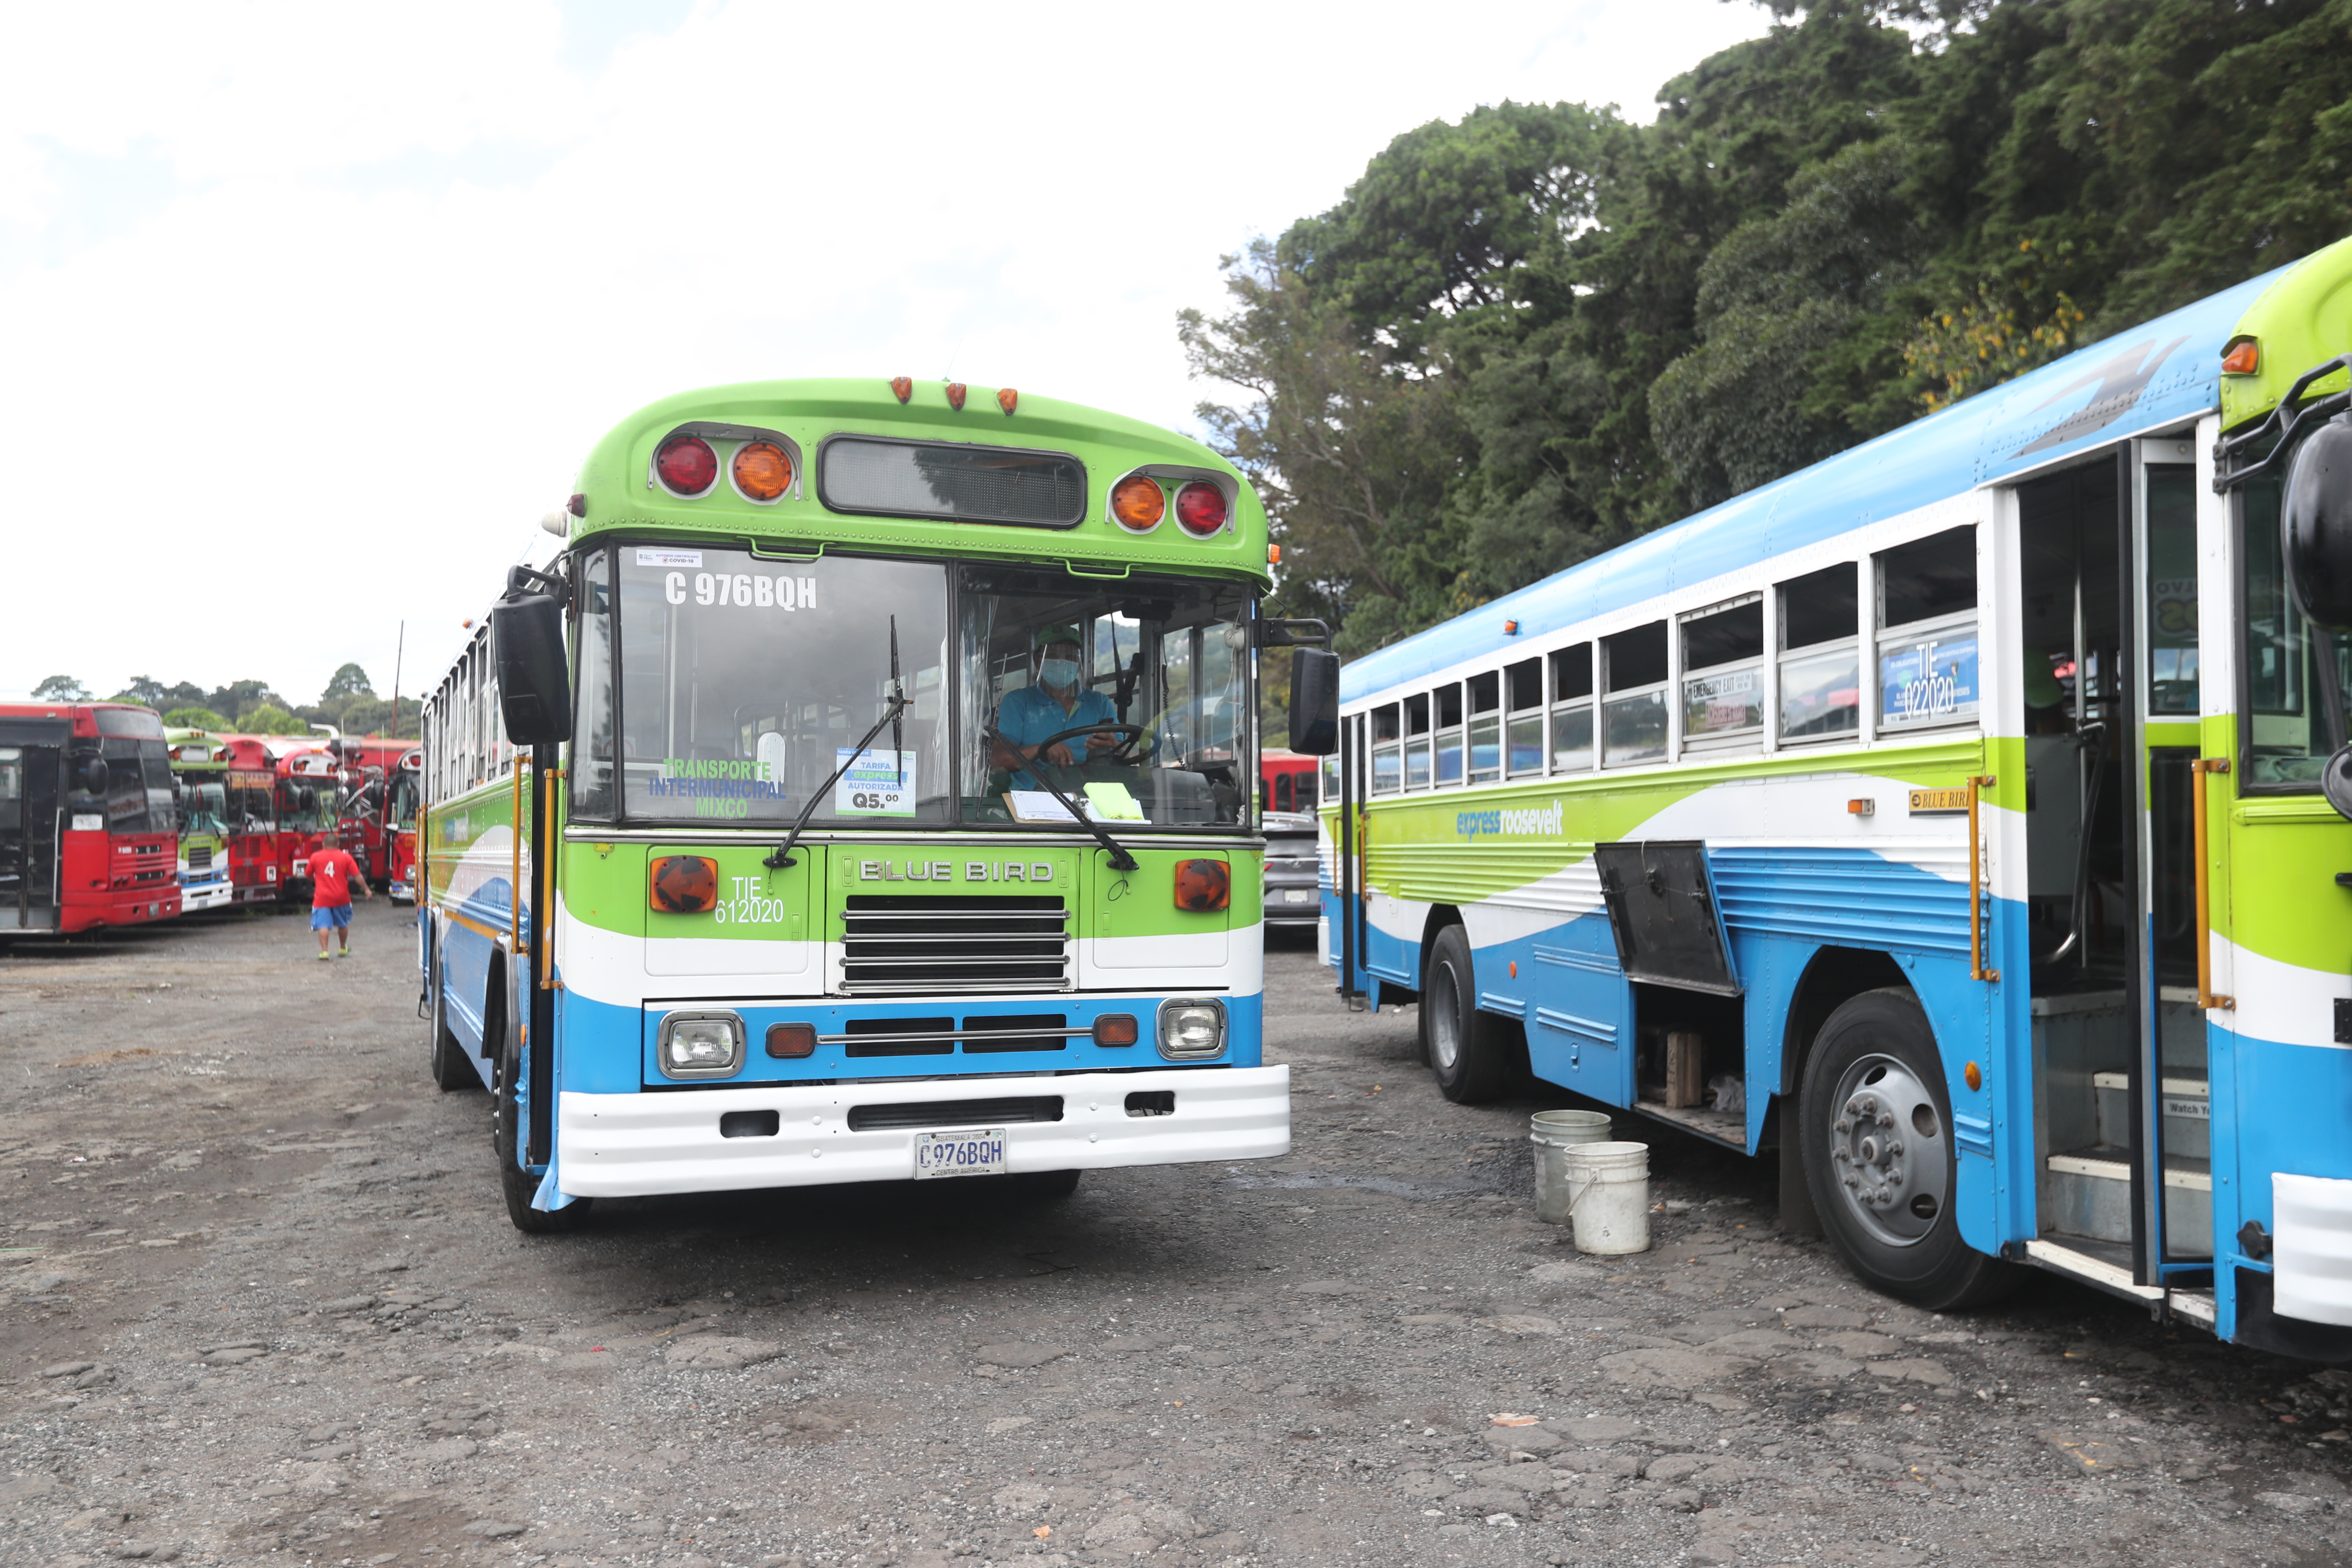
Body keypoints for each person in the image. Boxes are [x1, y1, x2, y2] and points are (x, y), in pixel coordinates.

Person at [993, 625, 1123, 790]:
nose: (1062, 662)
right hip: (1031, 802)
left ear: (1079, 661)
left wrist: (1114, 746)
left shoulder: (1099, 702)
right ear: (1037, 660)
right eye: (1053, 656)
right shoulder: (1018, 702)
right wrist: (1040, 749)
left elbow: (1124, 754)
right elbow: (997, 761)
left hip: (1093, 800)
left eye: (1070, 657)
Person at [308, 827, 371, 960]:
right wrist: (366, 889)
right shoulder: (346, 857)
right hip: (341, 897)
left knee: (323, 925)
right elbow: (357, 876)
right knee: (343, 923)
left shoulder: (315, 857)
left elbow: (308, 874)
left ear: (323, 844)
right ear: (338, 845)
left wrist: (318, 879)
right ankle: (343, 948)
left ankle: (325, 951)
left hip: (322, 897)